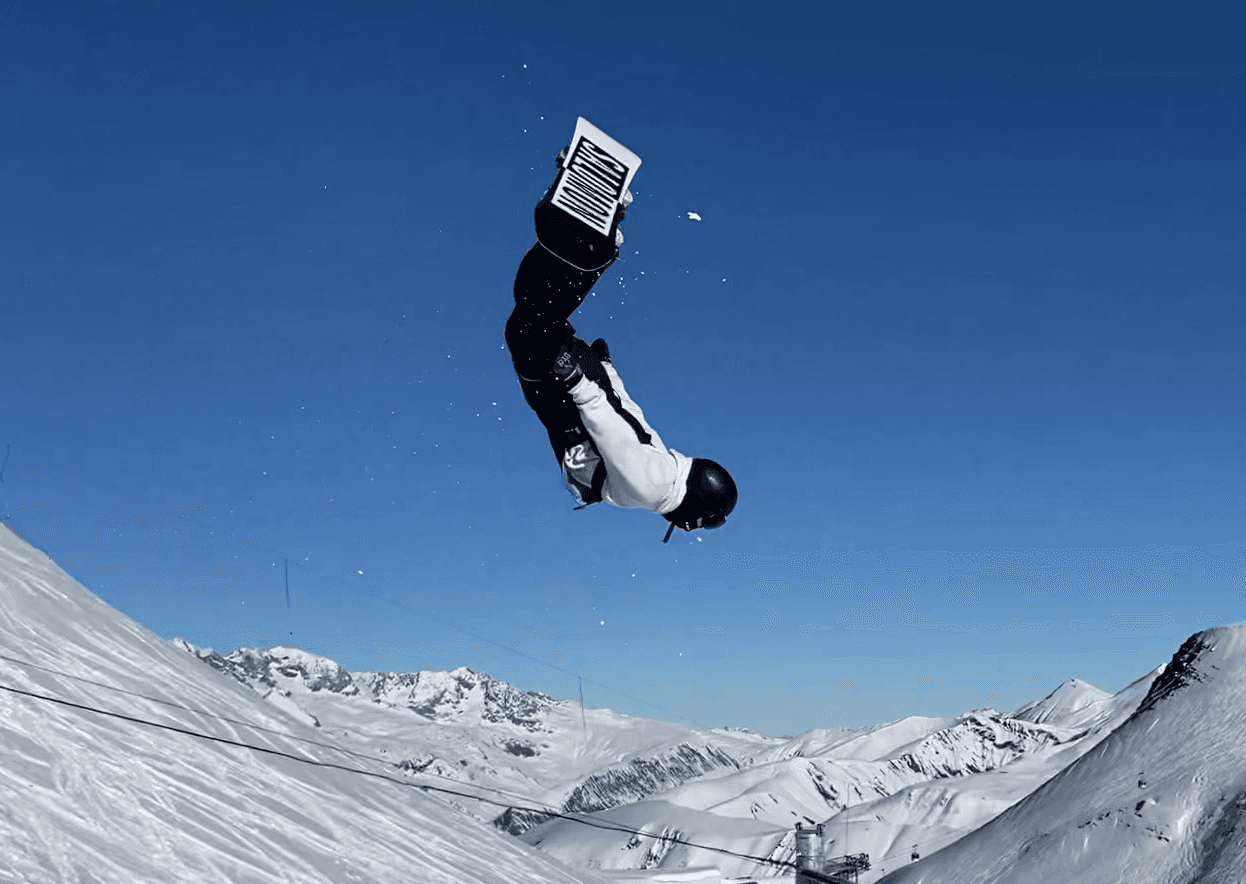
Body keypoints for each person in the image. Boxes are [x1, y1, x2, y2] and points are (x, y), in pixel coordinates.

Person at [504, 152, 738, 543]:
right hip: (566, 386)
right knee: (530, 322)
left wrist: (605, 370)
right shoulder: (652, 488)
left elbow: (630, 417)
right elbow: (614, 430)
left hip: (578, 384)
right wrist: (580, 381)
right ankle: (591, 242)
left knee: (535, 313)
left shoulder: (663, 470)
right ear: (696, 507)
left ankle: (595, 235)